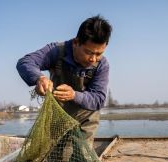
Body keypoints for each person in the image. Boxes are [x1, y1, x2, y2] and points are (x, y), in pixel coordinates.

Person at [16, 15, 112, 148]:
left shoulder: (102, 65)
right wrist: (40, 78)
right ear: (76, 42)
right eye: (89, 52)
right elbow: (25, 62)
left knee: (82, 158)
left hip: (85, 118)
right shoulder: (56, 50)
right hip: (56, 115)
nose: (93, 59)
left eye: (99, 54)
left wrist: (74, 95)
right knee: (49, 156)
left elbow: (99, 99)